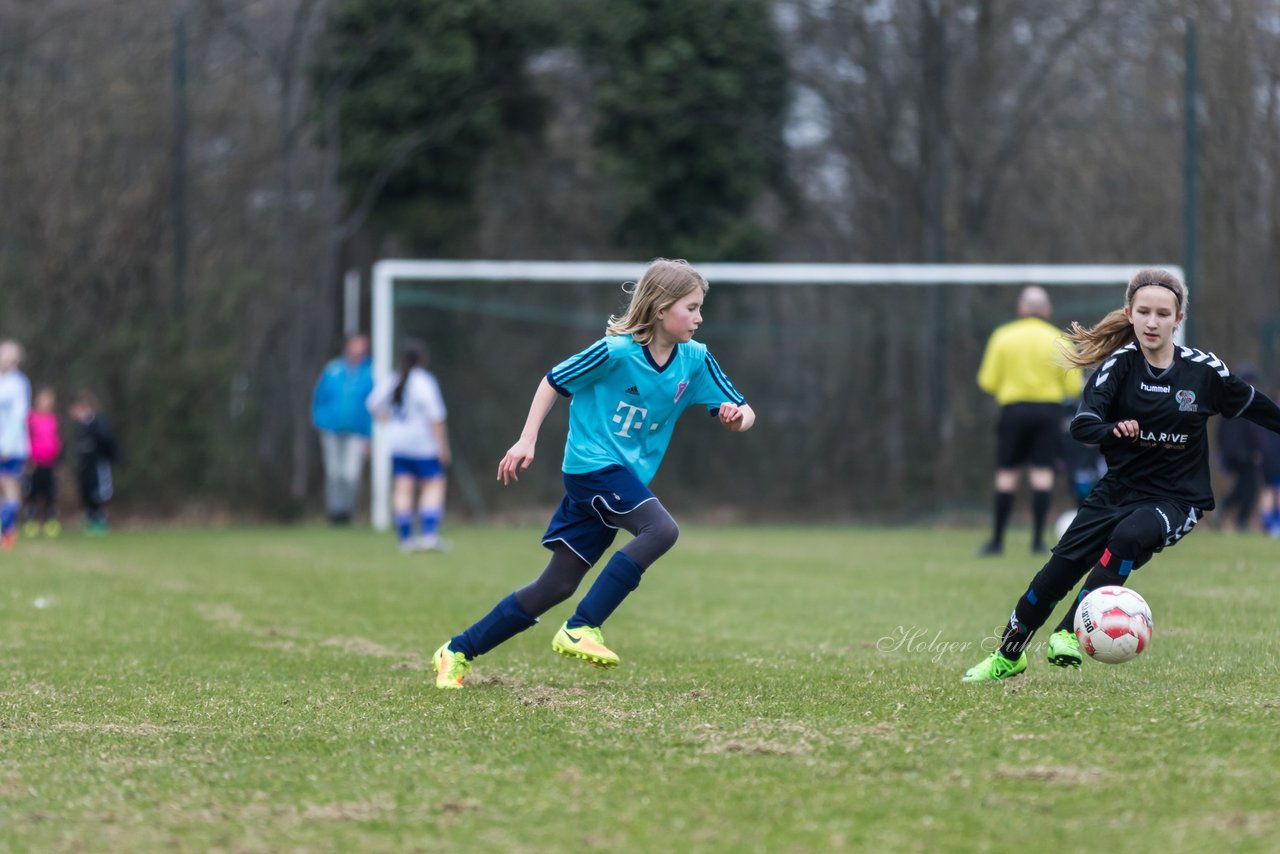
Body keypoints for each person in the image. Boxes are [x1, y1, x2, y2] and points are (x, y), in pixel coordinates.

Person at [432, 258, 756, 689]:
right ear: (660, 309)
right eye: (691, 307)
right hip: (591, 466)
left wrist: (736, 418)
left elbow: (744, 410)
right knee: (661, 530)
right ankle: (582, 627)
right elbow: (553, 381)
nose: (699, 317)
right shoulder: (614, 351)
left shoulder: (695, 361)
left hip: (622, 477)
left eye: (700, 308)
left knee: (557, 584)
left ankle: (456, 650)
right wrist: (526, 440)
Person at [963, 268, 1280, 682]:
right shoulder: (1119, 367)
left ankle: (1069, 633)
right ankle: (1008, 656)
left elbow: (1257, 405)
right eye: (1144, 311)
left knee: (1129, 537)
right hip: (1116, 491)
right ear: (1129, 313)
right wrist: (1113, 428)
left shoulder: (1203, 372)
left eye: (1163, 313)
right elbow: (1083, 423)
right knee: (1053, 576)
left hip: (1177, 498)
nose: (1152, 322)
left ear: (1177, 318)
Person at [976, 286, 1084, 555]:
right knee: (1042, 475)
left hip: (1013, 411)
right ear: (1046, 310)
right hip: (1048, 413)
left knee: (1006, 474)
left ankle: (997, 541)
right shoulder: (1059, 339)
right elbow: (1073, 386)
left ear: (1021, 309)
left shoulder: (1003, 336)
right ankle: (1037, 541)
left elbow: (987, 381)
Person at [366, 340, 450, 553]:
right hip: (422, 444)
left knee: (403, 488)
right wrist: (442, 446)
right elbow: (436, 417)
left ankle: (405, 539)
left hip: (398, 443)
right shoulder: (424, 381)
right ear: (422, 359)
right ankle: (429, 536)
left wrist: (386, 418)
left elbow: (372, 403)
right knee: (433, 485)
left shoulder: (393, 379)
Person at [311, 333, 374, 524]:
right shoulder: (333, 369)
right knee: (333, 473)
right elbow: (319, 397)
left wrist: (370, 435)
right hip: (331, 430)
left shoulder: (370, 371)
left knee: (351, 474)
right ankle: (335, 513)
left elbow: (374, 405)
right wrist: (320, 420)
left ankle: (348, 512)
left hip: (357, 432)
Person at [1215, 366, 1263, 532]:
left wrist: (1222, 452)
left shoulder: (1229, 400)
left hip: (1233, 453)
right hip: (1244, 454)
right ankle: (1239, 519)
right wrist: (1256, 450)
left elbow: (1220, 431)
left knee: (1244, 486)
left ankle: (1228, 511)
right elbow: (1251, 430)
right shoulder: (1247, 400)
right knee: (1248, 487)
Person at [70, 391, 118, 536]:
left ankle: (100, 522)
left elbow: (108, 441)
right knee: (87, 493)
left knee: (98, 493)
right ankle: (91, 521)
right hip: (86, 467)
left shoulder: (98, 423)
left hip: (98, 465)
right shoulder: (81, 427)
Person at [0, 340, 32, 550]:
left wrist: (7, 446)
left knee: (9, 485)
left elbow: (19, 417)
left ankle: (8, 532)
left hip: (11, 447)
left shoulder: (18, 383)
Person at [22, 387, 63, 539]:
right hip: (34, 463)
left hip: (50, 463)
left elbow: (58, 441)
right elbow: (25, 438)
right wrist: (28, 458)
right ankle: (31, 522)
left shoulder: (54, 419)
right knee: (32, 493)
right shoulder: (30, 418)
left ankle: (50, 522)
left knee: (50, 494)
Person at [1259, 382, 1280, 538]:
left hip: (1268, 458)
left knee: (1269, 490)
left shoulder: (1267, 410)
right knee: (1274, 491)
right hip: (1273, 458)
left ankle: (1269, 525)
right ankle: (1272, 525)